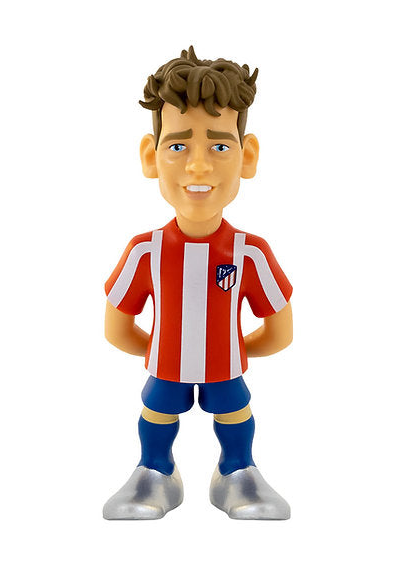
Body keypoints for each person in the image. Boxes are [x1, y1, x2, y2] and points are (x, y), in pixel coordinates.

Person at [102, 47, 293, 520]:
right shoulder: (144, 251)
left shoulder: (250, 253)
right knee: (157, 411)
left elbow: (280, 331)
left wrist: (229, 349)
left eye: (220, 147)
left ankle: (237, 471)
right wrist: (163, 349)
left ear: (247, 156)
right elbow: (116, 328)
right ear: (151, 157)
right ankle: (155, 471)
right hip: (166, 367)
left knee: (234, 412)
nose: (199, 166)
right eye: (178, 146)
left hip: (225, 367)